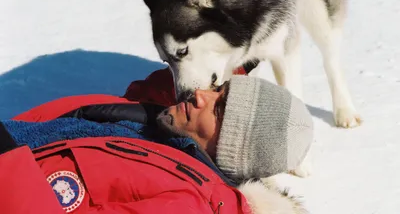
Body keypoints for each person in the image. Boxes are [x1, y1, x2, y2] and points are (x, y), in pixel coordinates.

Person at [0, 68, 313, 214]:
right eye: (219, 87)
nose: (200, 94)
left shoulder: (189, 204)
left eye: (219, 106)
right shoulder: (166, 135)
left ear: (233, 145)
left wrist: (6, 162)